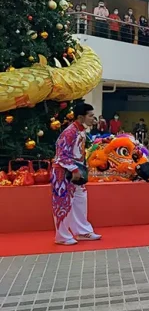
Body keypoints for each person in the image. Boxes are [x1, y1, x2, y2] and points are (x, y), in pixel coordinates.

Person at [51, 102, 101, 245]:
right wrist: (74, 169)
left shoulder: (81, 131)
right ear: (80, 117)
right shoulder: (69, 132)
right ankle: (62, 236)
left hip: (76, 172)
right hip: (63, 173)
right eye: (91, 116)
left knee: (80, 201)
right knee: (62, 204)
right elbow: (61, 155)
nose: (94, 119)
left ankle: (83, 232)